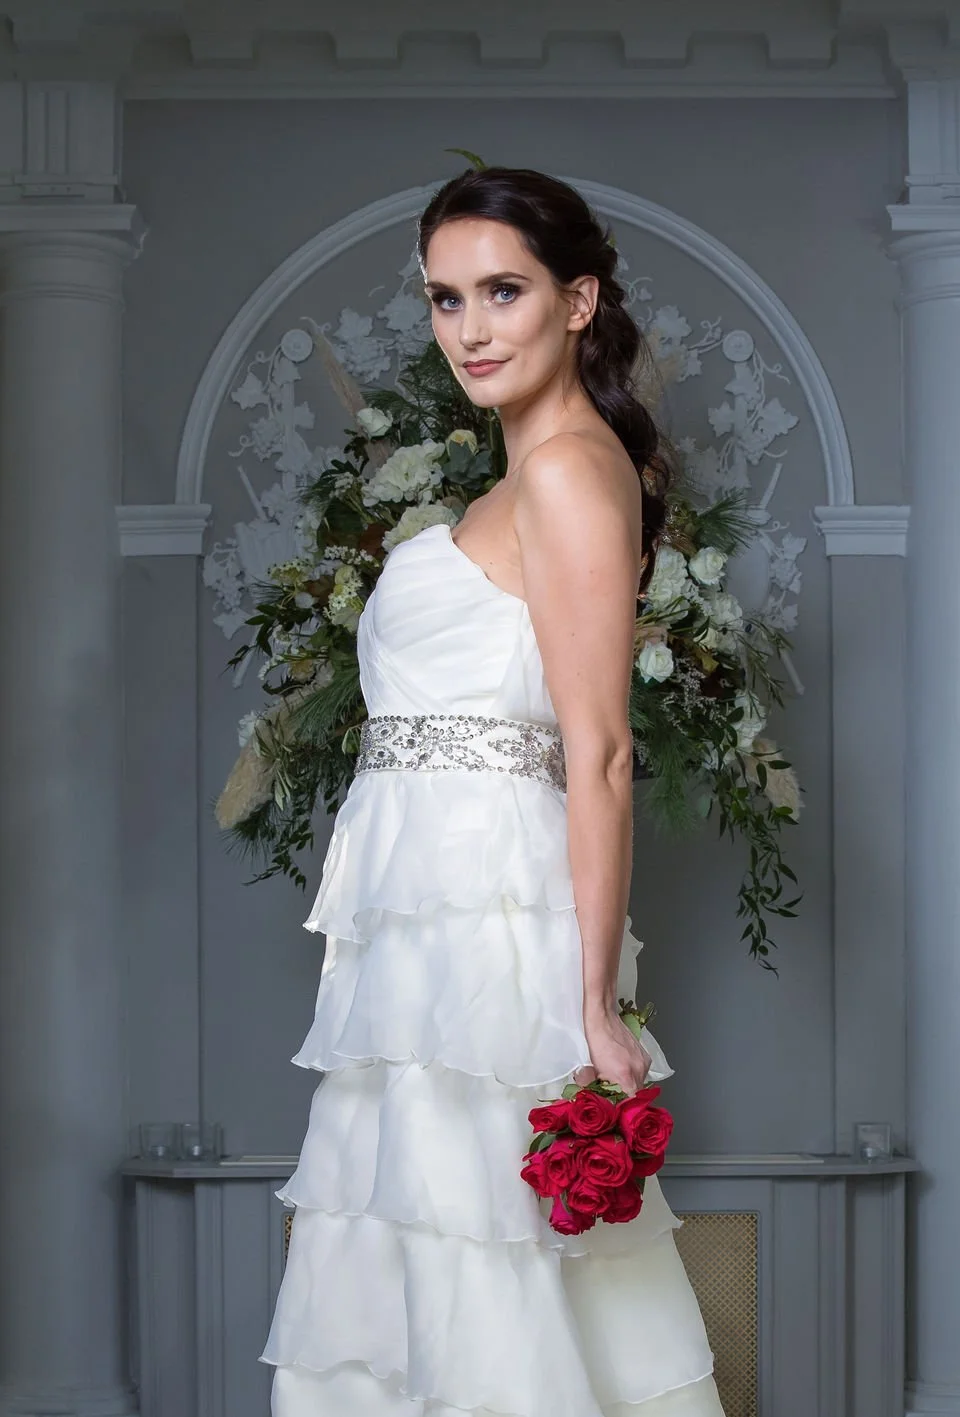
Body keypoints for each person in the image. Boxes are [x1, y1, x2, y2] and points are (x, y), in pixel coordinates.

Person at [260, 166, 726, 1416]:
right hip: (426, 933)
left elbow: (602, 752)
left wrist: (593, 1006)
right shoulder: (524, 479)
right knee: (430, 1251)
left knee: (484, 1261)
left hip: (490, 939)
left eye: (503, 291)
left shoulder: (569, 470)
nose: (469, 327)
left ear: (578, 302)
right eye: (445, 297)